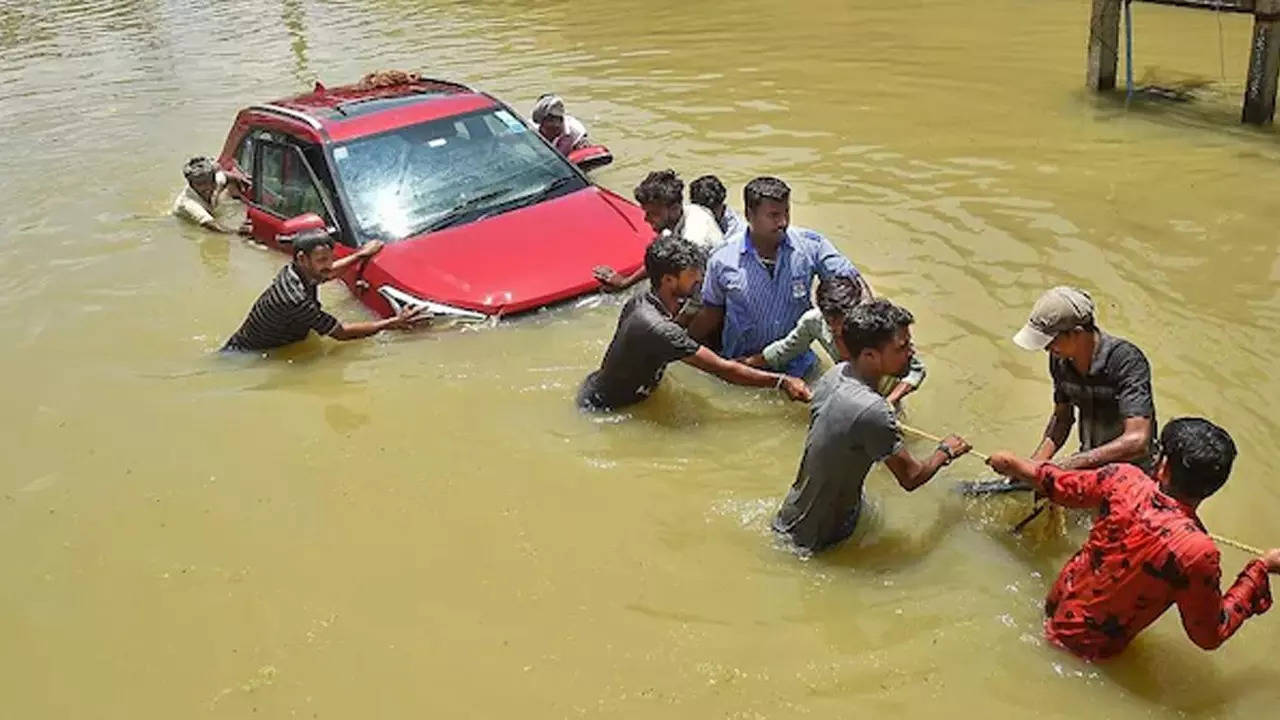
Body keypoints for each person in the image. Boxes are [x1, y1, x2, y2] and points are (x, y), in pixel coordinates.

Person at [986, 418, 1279, 661]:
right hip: (1086, 652)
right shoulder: (1197, 551)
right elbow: (1209, 635)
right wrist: (1259, 570)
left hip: (1055, 610)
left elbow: (1061, 485)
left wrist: (1014, 464)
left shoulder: (1123, 479)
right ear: (1212, 488)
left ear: (1163, 466)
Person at [773, 300, 971, 553]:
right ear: (869, 355)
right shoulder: (872, 411)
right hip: (820, 539)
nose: (911, 352)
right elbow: (911, 478)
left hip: (792, 514)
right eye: (902, 347)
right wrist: (946, 451)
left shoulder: (836, 375)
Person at [578, 234, 811, 410]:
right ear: (669, 280)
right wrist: (782, 382)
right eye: (692, 274)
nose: (700, 278)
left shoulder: (642, 302)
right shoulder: (659, 329)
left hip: (600, 388)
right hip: (610, 409)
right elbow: (724, 370)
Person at [688, 176, 860, 377]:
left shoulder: (811, 246)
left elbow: (851, 282)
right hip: (745, 368)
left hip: (799, 366)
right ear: (749, 214)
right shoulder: (722, 259)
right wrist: (685, 347)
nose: (783, 222)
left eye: (786, 212)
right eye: (773, 215)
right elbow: (711, 313)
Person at [1012, 286, 1158, 473]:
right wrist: (1033, 466)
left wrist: (1067, 465)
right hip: (1089, 466)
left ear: (1077, 333)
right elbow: (1062, 418)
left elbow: (1138, 440)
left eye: (1050, 341)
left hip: (1134, 472)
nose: (1046, 348)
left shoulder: (1125, 361)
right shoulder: (1060, 360)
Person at [222, 230, 426, 353]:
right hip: (253, 355)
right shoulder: (295, 299)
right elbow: (341, 333)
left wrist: (360, 255)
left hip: (259, 342)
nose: (328, 265)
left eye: (330, 258)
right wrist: (393, 323)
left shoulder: (296, 270)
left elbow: (327, 273)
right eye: (321, 260)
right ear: (302, 258)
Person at [742, 275, 927, 405]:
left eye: (843, 322)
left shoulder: (875, 327)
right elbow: (785, 349)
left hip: (885, 396)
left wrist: (888, 403)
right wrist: (744, 364)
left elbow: (916, 370)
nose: (838, 330)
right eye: (831, 322)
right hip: (853, 393)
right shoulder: (814, 322)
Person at [594, 170, 724, 292]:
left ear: (674, 208)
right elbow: (659, 259)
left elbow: (689, 292)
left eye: (653, 213)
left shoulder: (694, 240)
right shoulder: (685, 212)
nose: (646, 219)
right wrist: (626, 282)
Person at [174, 156, 252, 233]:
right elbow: (211, 225)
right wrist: (236, 231)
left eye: (208, 181)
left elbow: (226, 176)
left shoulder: (216, 180)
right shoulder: (189, 203)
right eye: (199, 184)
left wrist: (241, 179)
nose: (206, 187)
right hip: (185, 221)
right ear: (191, 184)